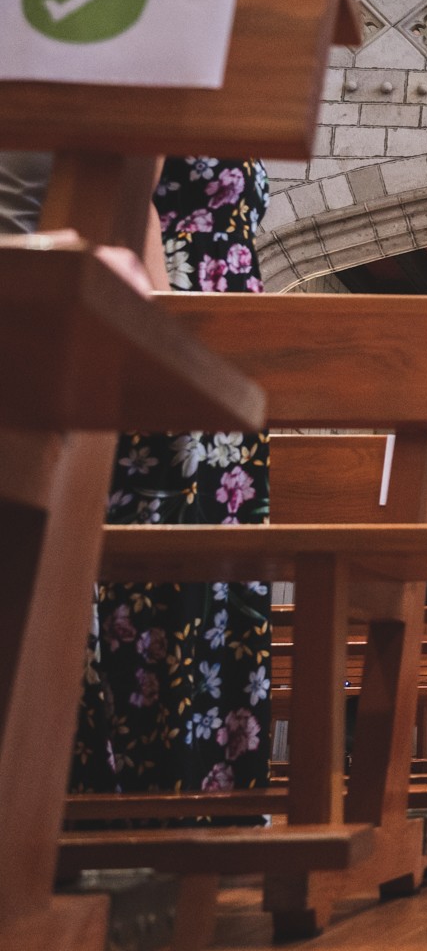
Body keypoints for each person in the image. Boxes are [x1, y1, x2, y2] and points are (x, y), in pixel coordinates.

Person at [69, 159, 276, 798]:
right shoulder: (176, 72)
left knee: (213, 572)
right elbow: (129, 202)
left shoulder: (228, 84)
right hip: (179, 330)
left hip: (221, 341)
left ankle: (202, 787)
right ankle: (147, 786)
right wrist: (167, 338)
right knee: (165, 568)